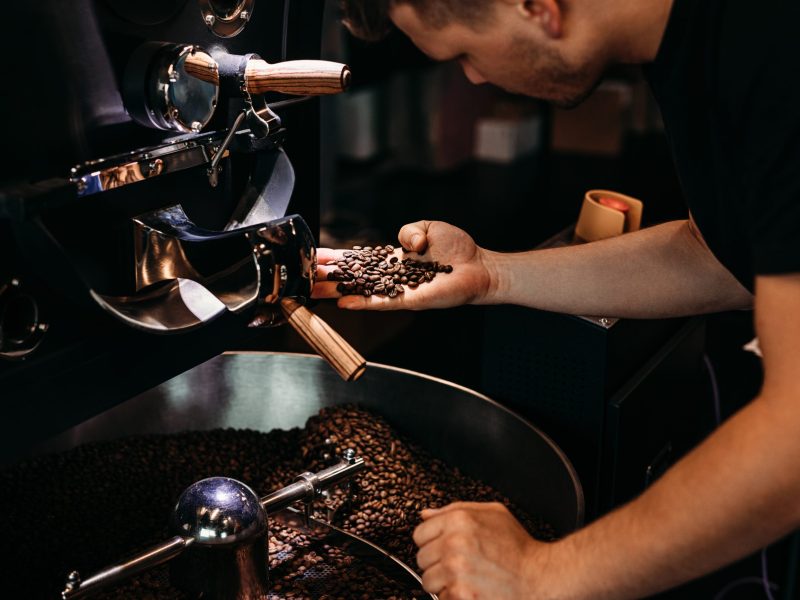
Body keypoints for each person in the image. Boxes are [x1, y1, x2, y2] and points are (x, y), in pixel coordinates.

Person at [314, 0, 800, 598]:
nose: (471, 76)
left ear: (536, 7)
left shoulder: (774, 47)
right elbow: (722, 256)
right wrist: (490, 275)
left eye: (464, 51)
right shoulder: (693, 46)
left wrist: (544, 573)